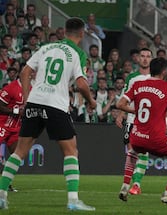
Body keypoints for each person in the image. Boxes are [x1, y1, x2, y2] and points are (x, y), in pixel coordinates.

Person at [0, 17, 96, 211]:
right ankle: (73, 200)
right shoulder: (77, 53)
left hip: (35, 101)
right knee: (71, 151)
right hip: (55, 105)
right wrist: (91, 101)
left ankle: (1, 196)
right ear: (82, 33)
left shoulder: (45, 48)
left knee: (19, 151)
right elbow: (81, 83)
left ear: (64, 31)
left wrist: (27, 98)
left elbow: (25, 73)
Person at [117, 57, 167, 204]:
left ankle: (125, 186)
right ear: (164, 71)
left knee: (133, 152)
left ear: (150, 69)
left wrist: (135, 110)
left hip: (136, 136)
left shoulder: (138, 85)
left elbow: (120, 104)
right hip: (155, 138)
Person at [115, 48, 152, 196]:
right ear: (138, 59)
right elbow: (126, 98)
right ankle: (128, 183)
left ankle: (136, 184)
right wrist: (120, 115)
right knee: (132, 152)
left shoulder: (156, 78)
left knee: (143, 153)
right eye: (142, 56)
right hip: (132, 119)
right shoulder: (132, 77)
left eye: (148, 56)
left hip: (148, 121)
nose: (144, 59)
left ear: (151, 59)